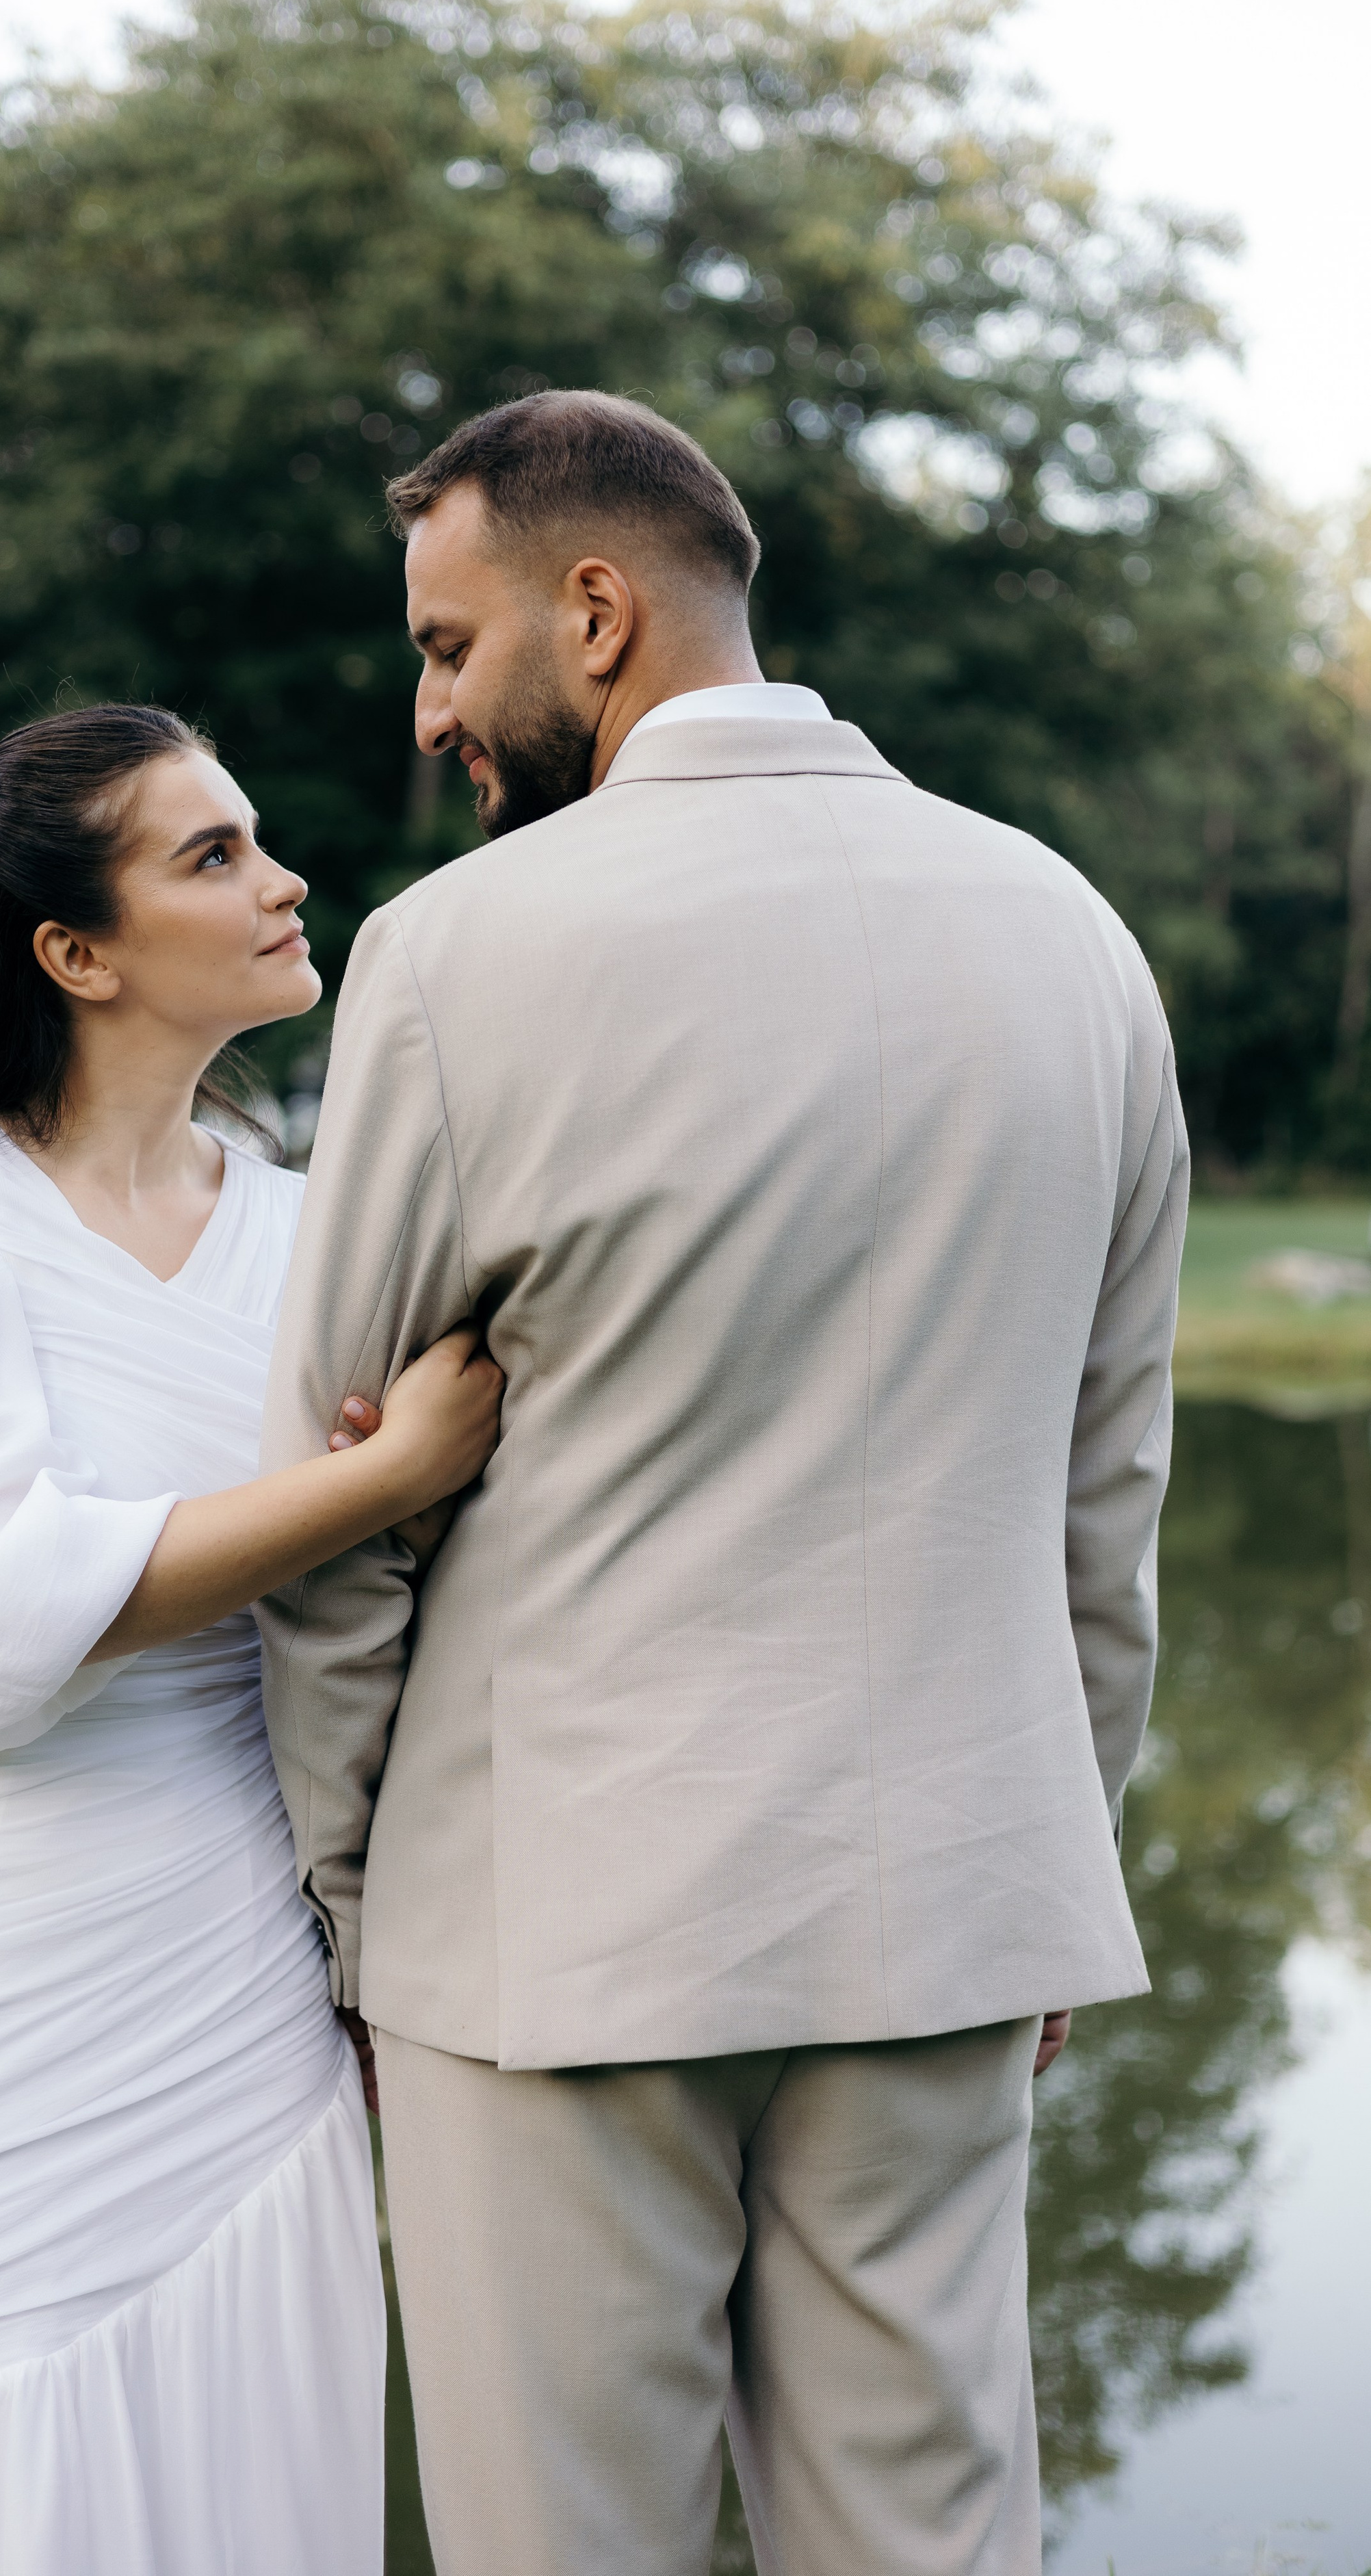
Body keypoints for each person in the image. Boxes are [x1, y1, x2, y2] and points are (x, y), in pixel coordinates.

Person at [259, 392, 1186, 2576]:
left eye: (447, 644)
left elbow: (341, 1509)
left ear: (597, 611)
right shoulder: (1073, 936)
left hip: (551, 1939)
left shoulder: (456, 962)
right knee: (931, 2544)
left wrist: (361, 1914)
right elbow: (1104, 1495)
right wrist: (1050, 1841)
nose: (427, 714)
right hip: (955, 1910)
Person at [0, 704, 502, 2576]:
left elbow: (403, 1613)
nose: (286, 879)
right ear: (76, 949)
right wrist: (382, 1479)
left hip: (230, 1949)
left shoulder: (316, 1237)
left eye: (261, 835)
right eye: (211, 854)